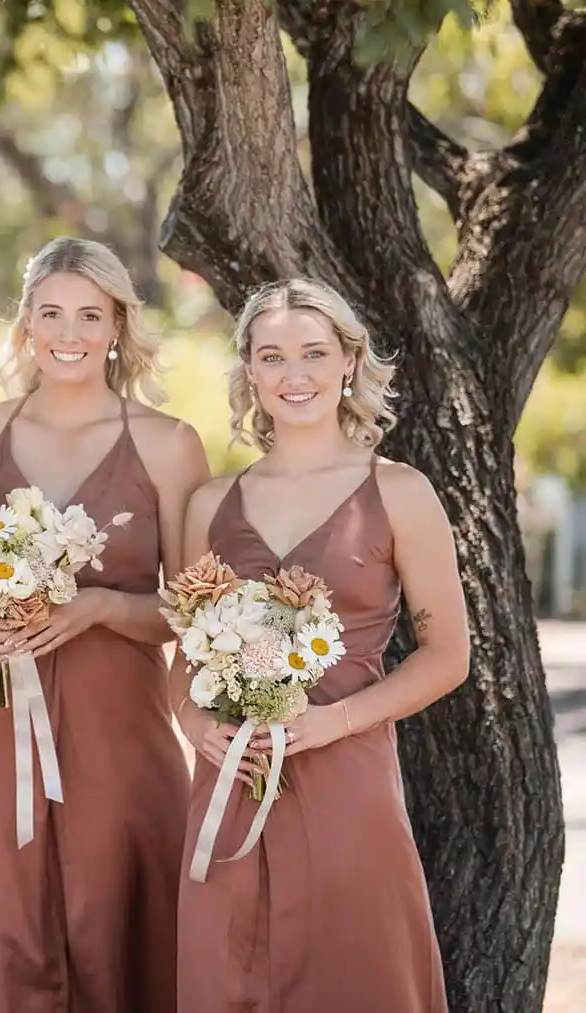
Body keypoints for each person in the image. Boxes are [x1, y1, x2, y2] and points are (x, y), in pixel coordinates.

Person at [0, 237, 209, 1013]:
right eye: (51, 312)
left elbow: (193, 611)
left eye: (90, 314)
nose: (69, 332)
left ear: (118, 324)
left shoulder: (168, 443)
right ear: (25, 325)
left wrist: (104, 606)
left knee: (108, 912)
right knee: (5, 915)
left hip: (121, 727)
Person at [172, 277, 467, 1012]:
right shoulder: (209, 505)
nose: (293, 374)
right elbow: (185, 656)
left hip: (350, 779)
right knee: (226, 970)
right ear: (249, 372)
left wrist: (332, 722)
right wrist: (197, 724)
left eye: (312, 352)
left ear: (348, 361)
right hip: (232, 783)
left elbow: (447, 655)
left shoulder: (400, 491)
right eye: (271, 357)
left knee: (354, 972)